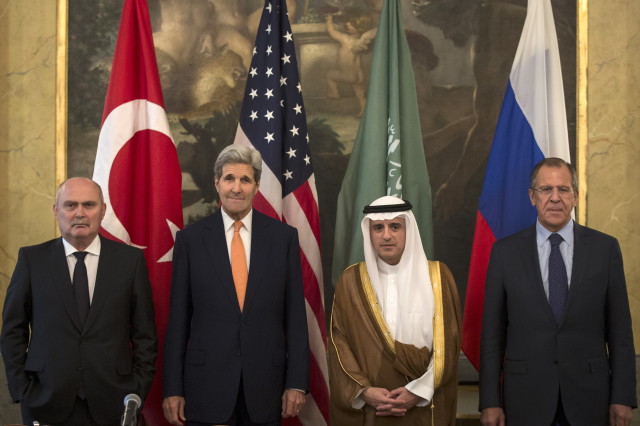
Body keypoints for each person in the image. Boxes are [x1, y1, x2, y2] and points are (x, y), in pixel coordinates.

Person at [479, 157, 637, 426]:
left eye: (563, 190)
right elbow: (493, 336)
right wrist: (490, 402)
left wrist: (622, 396)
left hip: (590, 399)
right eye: (546, 190)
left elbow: (620, 332)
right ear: (532, 197)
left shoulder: (605, 249)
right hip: (525, 399)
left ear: (575, 196)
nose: (555, 198)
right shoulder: (505, 253)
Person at [162, 144, 309, 425]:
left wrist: (297, 383)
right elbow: (178, 319)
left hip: (267, 386)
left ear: (256, 186)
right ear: (217, 183)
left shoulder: (283, 238)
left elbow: (295, 318)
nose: (236, 188)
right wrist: (173, 388)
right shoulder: (190, 240)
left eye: (245, 180)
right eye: (229, 178)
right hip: (206, 386)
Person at [0, 177, 157, 426]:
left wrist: (137, 389)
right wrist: (22, 390)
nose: (80, 213)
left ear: (103, 210)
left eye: (89, 205)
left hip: (115, 401)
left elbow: (145, 334)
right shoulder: (32, 260)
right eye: (70, 205)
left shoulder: (130, 261)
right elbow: (12, 331)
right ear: (56, 211)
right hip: (45, 401)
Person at [329, 195, 461, 425]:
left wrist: (418, 391)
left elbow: (449, 342)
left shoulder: (438, 277)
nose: (386, 235)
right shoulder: (351, 280)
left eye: (395, 226)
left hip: (423, 405)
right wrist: (364, 391)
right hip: (371, 409)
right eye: (378, 227)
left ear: (408, 230)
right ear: (368, 233)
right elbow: (339, 342)